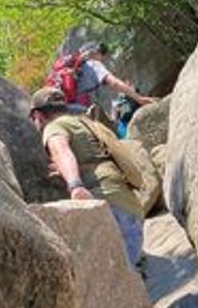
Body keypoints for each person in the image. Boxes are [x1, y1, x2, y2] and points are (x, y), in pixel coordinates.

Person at [29, 86, 145, 268]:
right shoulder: (84, 123)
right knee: (129, 269)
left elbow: (61, 151)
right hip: (129, 206)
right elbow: (94, 156)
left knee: (113, 275)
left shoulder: (53, 127)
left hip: (109, 207)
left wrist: (75, 185)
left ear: (38, 115)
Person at [55, 42, 157, 114]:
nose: (103, 60)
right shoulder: (93, 65)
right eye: (103, 56)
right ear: (98, 53)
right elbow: (114, 83)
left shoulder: (73, 68)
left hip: (56, 105)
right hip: (69, 107)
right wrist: (139, 99)